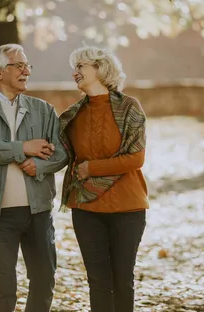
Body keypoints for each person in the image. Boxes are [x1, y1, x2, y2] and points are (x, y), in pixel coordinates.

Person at [0, 43, 68, 312]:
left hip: (38, 211)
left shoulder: (44, 110)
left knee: (44, 280)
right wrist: (23, 147)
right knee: (2, 287)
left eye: (27, 65)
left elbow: (61, 152)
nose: (25, 71)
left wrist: (39, 167)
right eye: (18, 65)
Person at [59, 46, 149, 312]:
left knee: (123, 280)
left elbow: (136, 159)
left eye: (80, 67)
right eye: (74, 67)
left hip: (127, 207)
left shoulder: (129, 107)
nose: (75, 72)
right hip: (86, 208)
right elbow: (62, 155)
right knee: (98, 282)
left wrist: (91, 169)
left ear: (99, 68)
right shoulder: (72, 115)